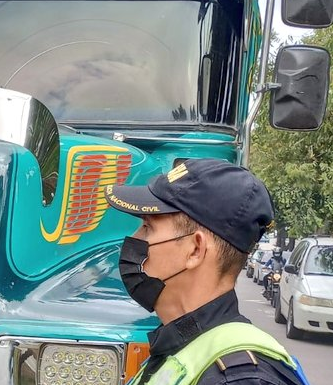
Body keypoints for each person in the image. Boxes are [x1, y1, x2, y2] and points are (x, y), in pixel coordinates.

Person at [104, 159, 309, 385]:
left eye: (147, 227)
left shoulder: (239, 380)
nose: (134, 238)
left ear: (195, 250)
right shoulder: (183, 347)